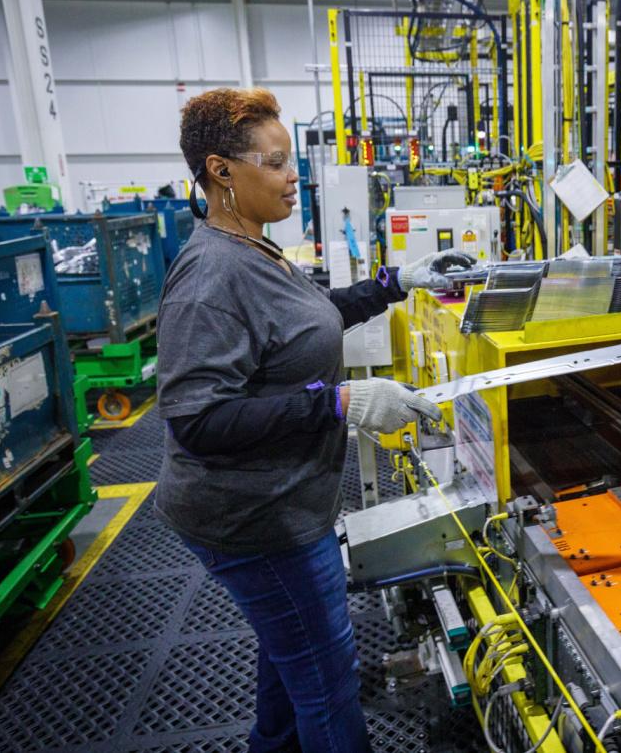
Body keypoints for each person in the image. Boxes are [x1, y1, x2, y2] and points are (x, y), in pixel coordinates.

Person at [156, 87, 474, 753]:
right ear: (221, 171)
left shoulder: (256, 249)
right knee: (328, 686)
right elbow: (196, 417)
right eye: (274, 163)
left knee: (289, 655)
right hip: (256, 523)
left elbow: (305, 322)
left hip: (283, 506)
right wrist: (339, 403)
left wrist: (396, 283)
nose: (292, 175)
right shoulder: (212, 274)